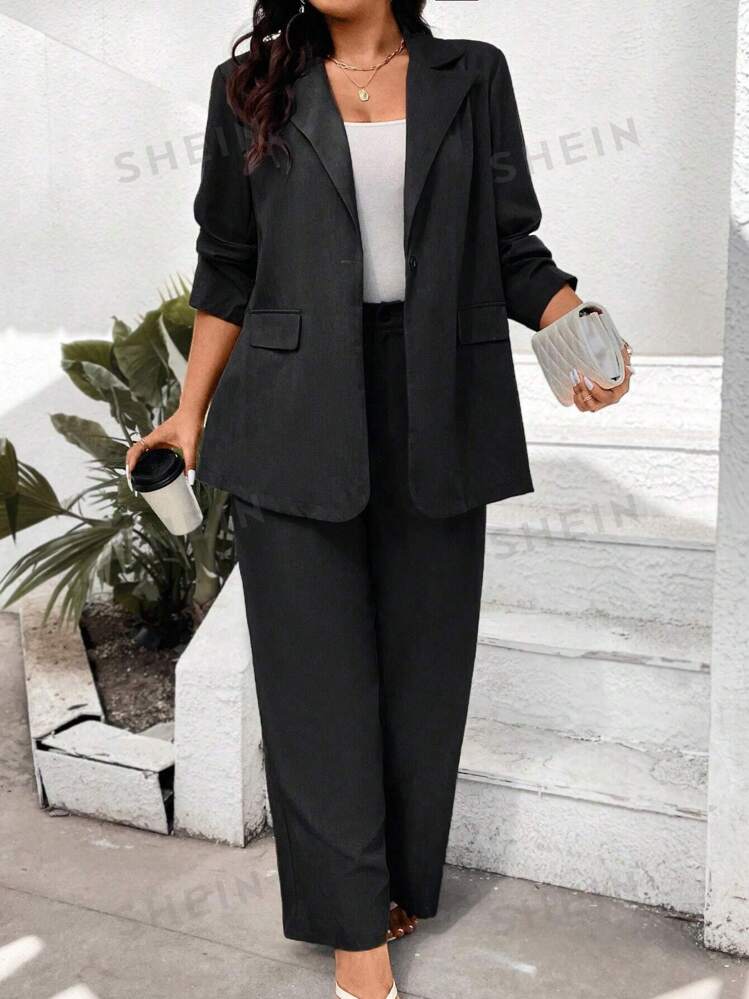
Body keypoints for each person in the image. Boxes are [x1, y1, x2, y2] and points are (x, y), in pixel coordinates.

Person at [127, 3, 632, 997]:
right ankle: (353, 930)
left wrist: (576, 323)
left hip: (439, 398)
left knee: (422, 673)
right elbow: (227, 263)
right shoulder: (252, 89)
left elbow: (512, 244)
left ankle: (392, 877)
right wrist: (189, 411)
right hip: (290, 404)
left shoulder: (470, 75)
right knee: (312, 682)